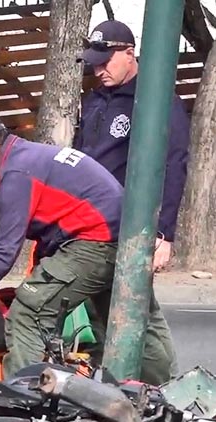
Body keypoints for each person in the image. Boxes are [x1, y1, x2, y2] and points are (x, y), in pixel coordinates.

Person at [0, 111, 126, 378]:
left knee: (29, 310)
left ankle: (22, 403)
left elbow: (4, 255)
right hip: (123, 235)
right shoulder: (30, 155)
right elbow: (58, 224)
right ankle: (164, 392)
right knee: (131, 319)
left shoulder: (16, 173)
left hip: (98, 241)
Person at [72, 19, 186, 384]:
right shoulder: (94, 100)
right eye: (94, 62)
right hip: (89, 225)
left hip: (129, 226)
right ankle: (116, 385)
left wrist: (164, 234)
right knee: (98, 308)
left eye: (106, 60)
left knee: (137, 310)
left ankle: (163, 385)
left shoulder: (154, 101)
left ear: (129, 53)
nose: (98, 69)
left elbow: (174, 164)